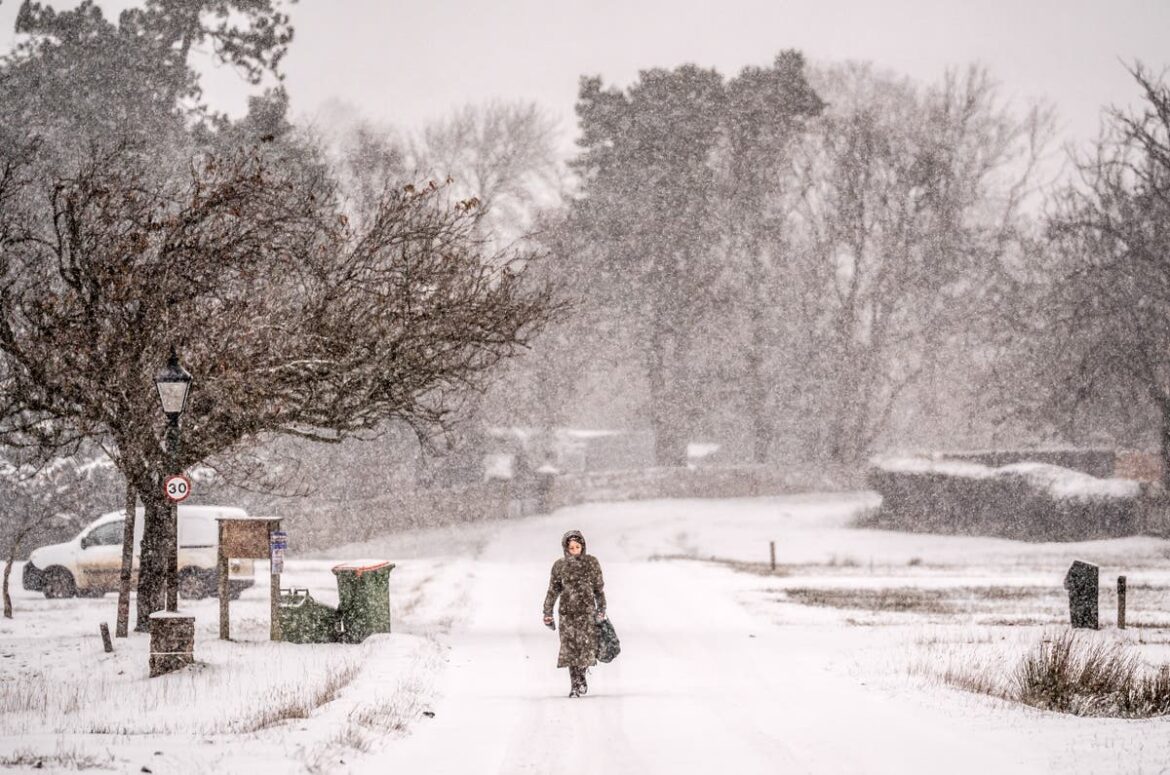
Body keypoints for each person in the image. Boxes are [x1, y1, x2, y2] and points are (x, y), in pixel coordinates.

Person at [542, 529, 606, 698]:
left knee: (585, 648)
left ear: (583, 547)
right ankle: (575, 685)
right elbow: (553, 590)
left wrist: (601, 609)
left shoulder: (591, 563)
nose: (575, 550)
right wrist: (547, 612)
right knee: (570, 650)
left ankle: (582, 675)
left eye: (578, 547)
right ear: (566, 548)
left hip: (586, 613)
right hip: (567, 613)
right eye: (571, 548)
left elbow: (599, 589)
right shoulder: (560, 566)